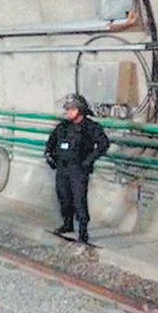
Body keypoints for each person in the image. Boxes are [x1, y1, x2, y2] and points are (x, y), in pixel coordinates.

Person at [44, 93, 110, 243]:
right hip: (62, 167)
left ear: (79, 110)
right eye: (67, 110)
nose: (68, 112)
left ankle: (83, 230)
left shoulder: (90, 127)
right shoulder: (62, 126)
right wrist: (49, 156)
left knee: (79, 199)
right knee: (63, 197)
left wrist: (88, 161)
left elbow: (103, 144)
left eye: (71, 109)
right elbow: (51, 142)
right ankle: (67, 224)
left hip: (78, 169)